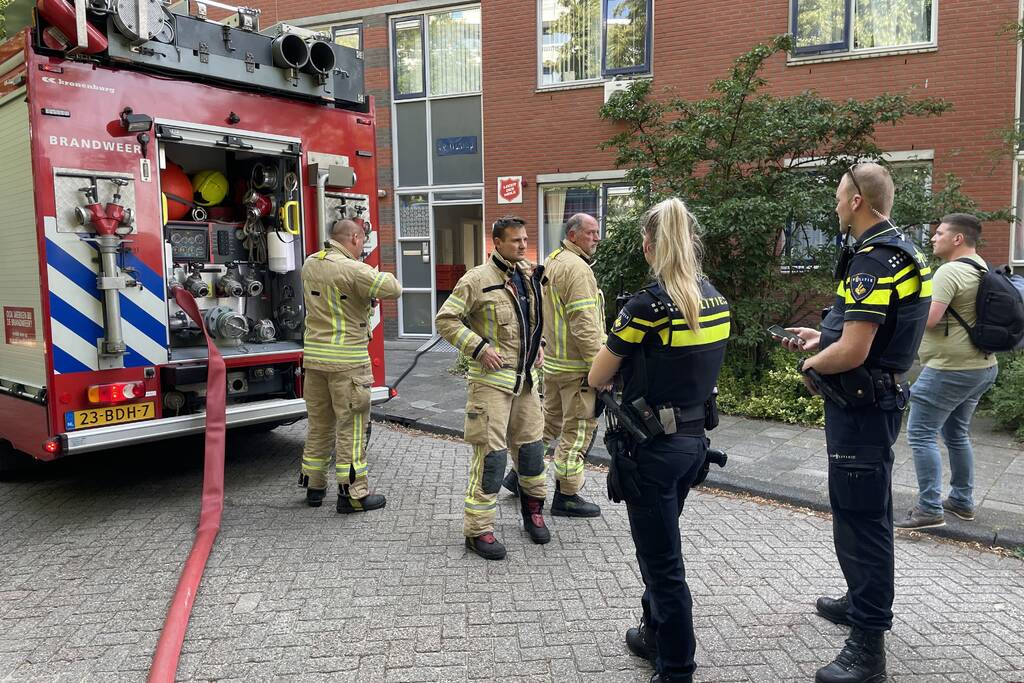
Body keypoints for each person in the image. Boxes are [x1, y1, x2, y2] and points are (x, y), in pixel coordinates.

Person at [778, 163, 931, 683]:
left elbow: (857, 349)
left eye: (840, 197)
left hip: (861, 408)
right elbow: (880, 331)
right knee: (862, 511)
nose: (836, 205)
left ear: (858, 202)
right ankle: (857, 599)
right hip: (875, 400)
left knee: (861, 520)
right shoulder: (903, 249)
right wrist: (825, 336)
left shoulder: (872, 260)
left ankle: (867, 647)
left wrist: (813, 363)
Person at [588, 198, 730, 683]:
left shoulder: (646, 306)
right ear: (691, 243)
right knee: (662, 549)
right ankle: (653, 634)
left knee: (663, 565)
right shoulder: (716, 298)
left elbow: (597, 374)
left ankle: (676, 669)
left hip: (652, 452)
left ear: (650, 246)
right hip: (693, 447)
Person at [435, 216, 549, 560]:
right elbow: (446, 320)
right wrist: (479, 348)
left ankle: (533, 513)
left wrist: (538, 344)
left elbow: (532, 319)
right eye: (515, 241)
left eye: (525, 240)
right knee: (491, 458)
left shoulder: (528, 276)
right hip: (491, 386)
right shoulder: (477, 279)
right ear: (497, 242)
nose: (522, 246)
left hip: (526, 382)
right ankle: (478, 530)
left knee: (531, 452)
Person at [896, 214, 998, 529]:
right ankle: (961, 502)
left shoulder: (950, 271)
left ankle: (929, 508)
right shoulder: (982, 268)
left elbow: (928, 319)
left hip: (950, 369)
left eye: (939, 233)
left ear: (957, 239)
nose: (933, 238)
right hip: (983, 366)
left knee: (920, 432)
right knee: (955, 433)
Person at [502, 213, 604, 518]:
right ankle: (568, 495)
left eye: (598, 232)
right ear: (573, 235)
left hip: (555, 366)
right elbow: (585, 324)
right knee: (578, 429)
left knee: (547, 425)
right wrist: (601, 368)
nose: (597, 238)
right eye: (591, 233)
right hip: (578, 370)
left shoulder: (554, 260)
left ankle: (519, 476)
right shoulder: (577, 269)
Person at [299, 218, 401, 513]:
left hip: (315, 360)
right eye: (362, 241)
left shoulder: (310, 263)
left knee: (319, 424)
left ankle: (314, 487)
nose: (363, 247)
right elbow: (393, 288)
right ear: (355, 238)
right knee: (352, 427)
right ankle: (353, 495)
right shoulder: (354, 269)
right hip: (348, 363)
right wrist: (366, 273)